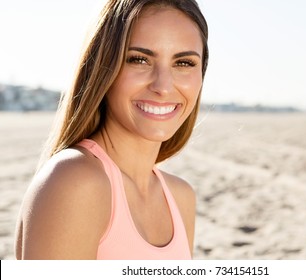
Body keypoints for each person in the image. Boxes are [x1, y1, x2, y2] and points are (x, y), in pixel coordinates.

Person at [15, 0, 208, 260]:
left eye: (183, 63)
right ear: (104, 68)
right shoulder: (75, 182)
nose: (163, 86)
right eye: (139, 59)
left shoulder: (181, 197)